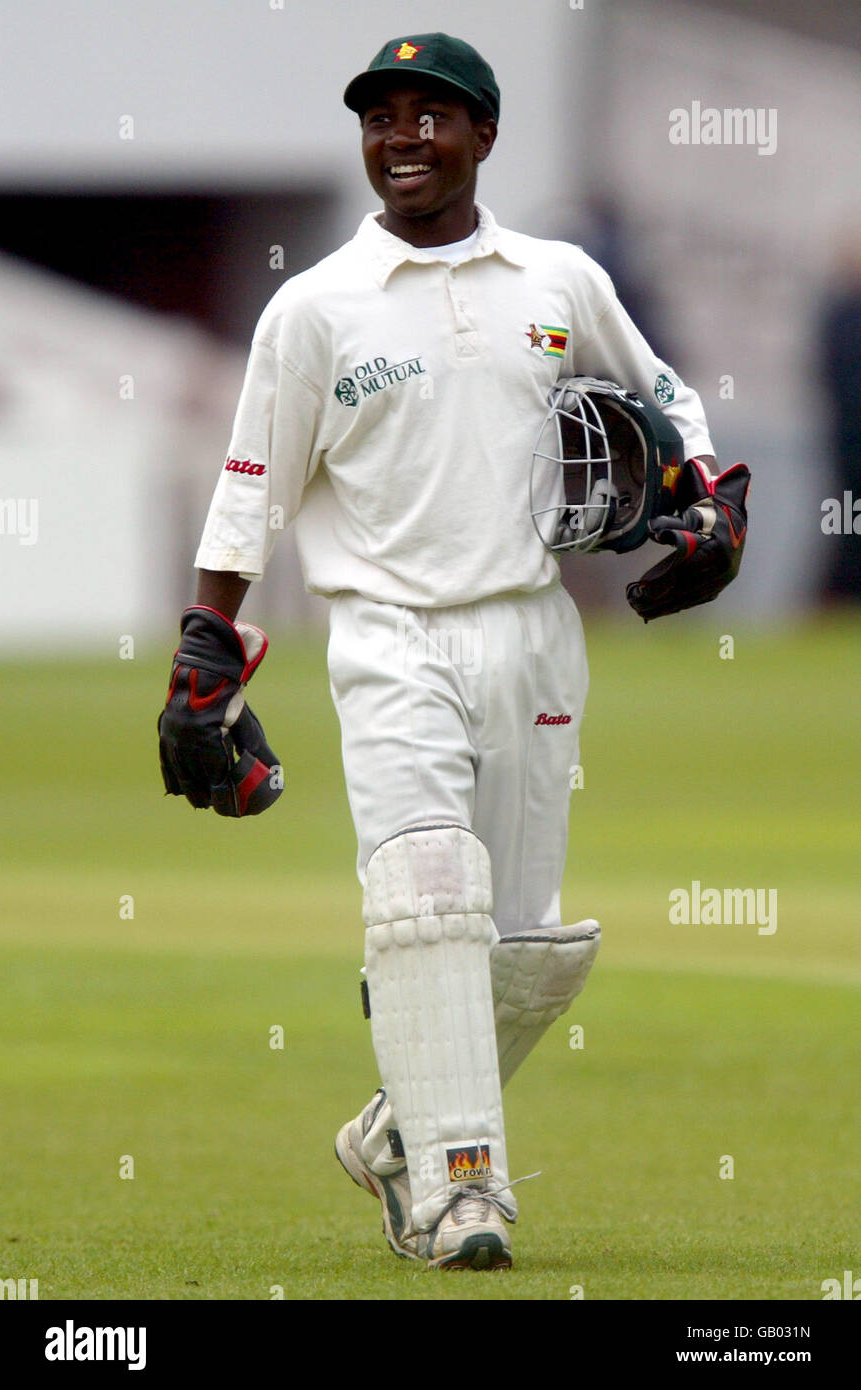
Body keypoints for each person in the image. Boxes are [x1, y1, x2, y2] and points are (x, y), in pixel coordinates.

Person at [158, 33, 746, 1272]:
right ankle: (462, 1193)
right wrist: (202, 656)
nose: (403, 138)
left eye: (433, 116)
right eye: (382, 118)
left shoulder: (558, 280)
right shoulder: (314, 307)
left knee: (522, 945)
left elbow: (667, 401)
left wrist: (710, 503)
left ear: (484, 136)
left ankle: (397, 1128)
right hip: (386, 632)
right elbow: (249, 489)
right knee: (426, 899)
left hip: (534, 630)